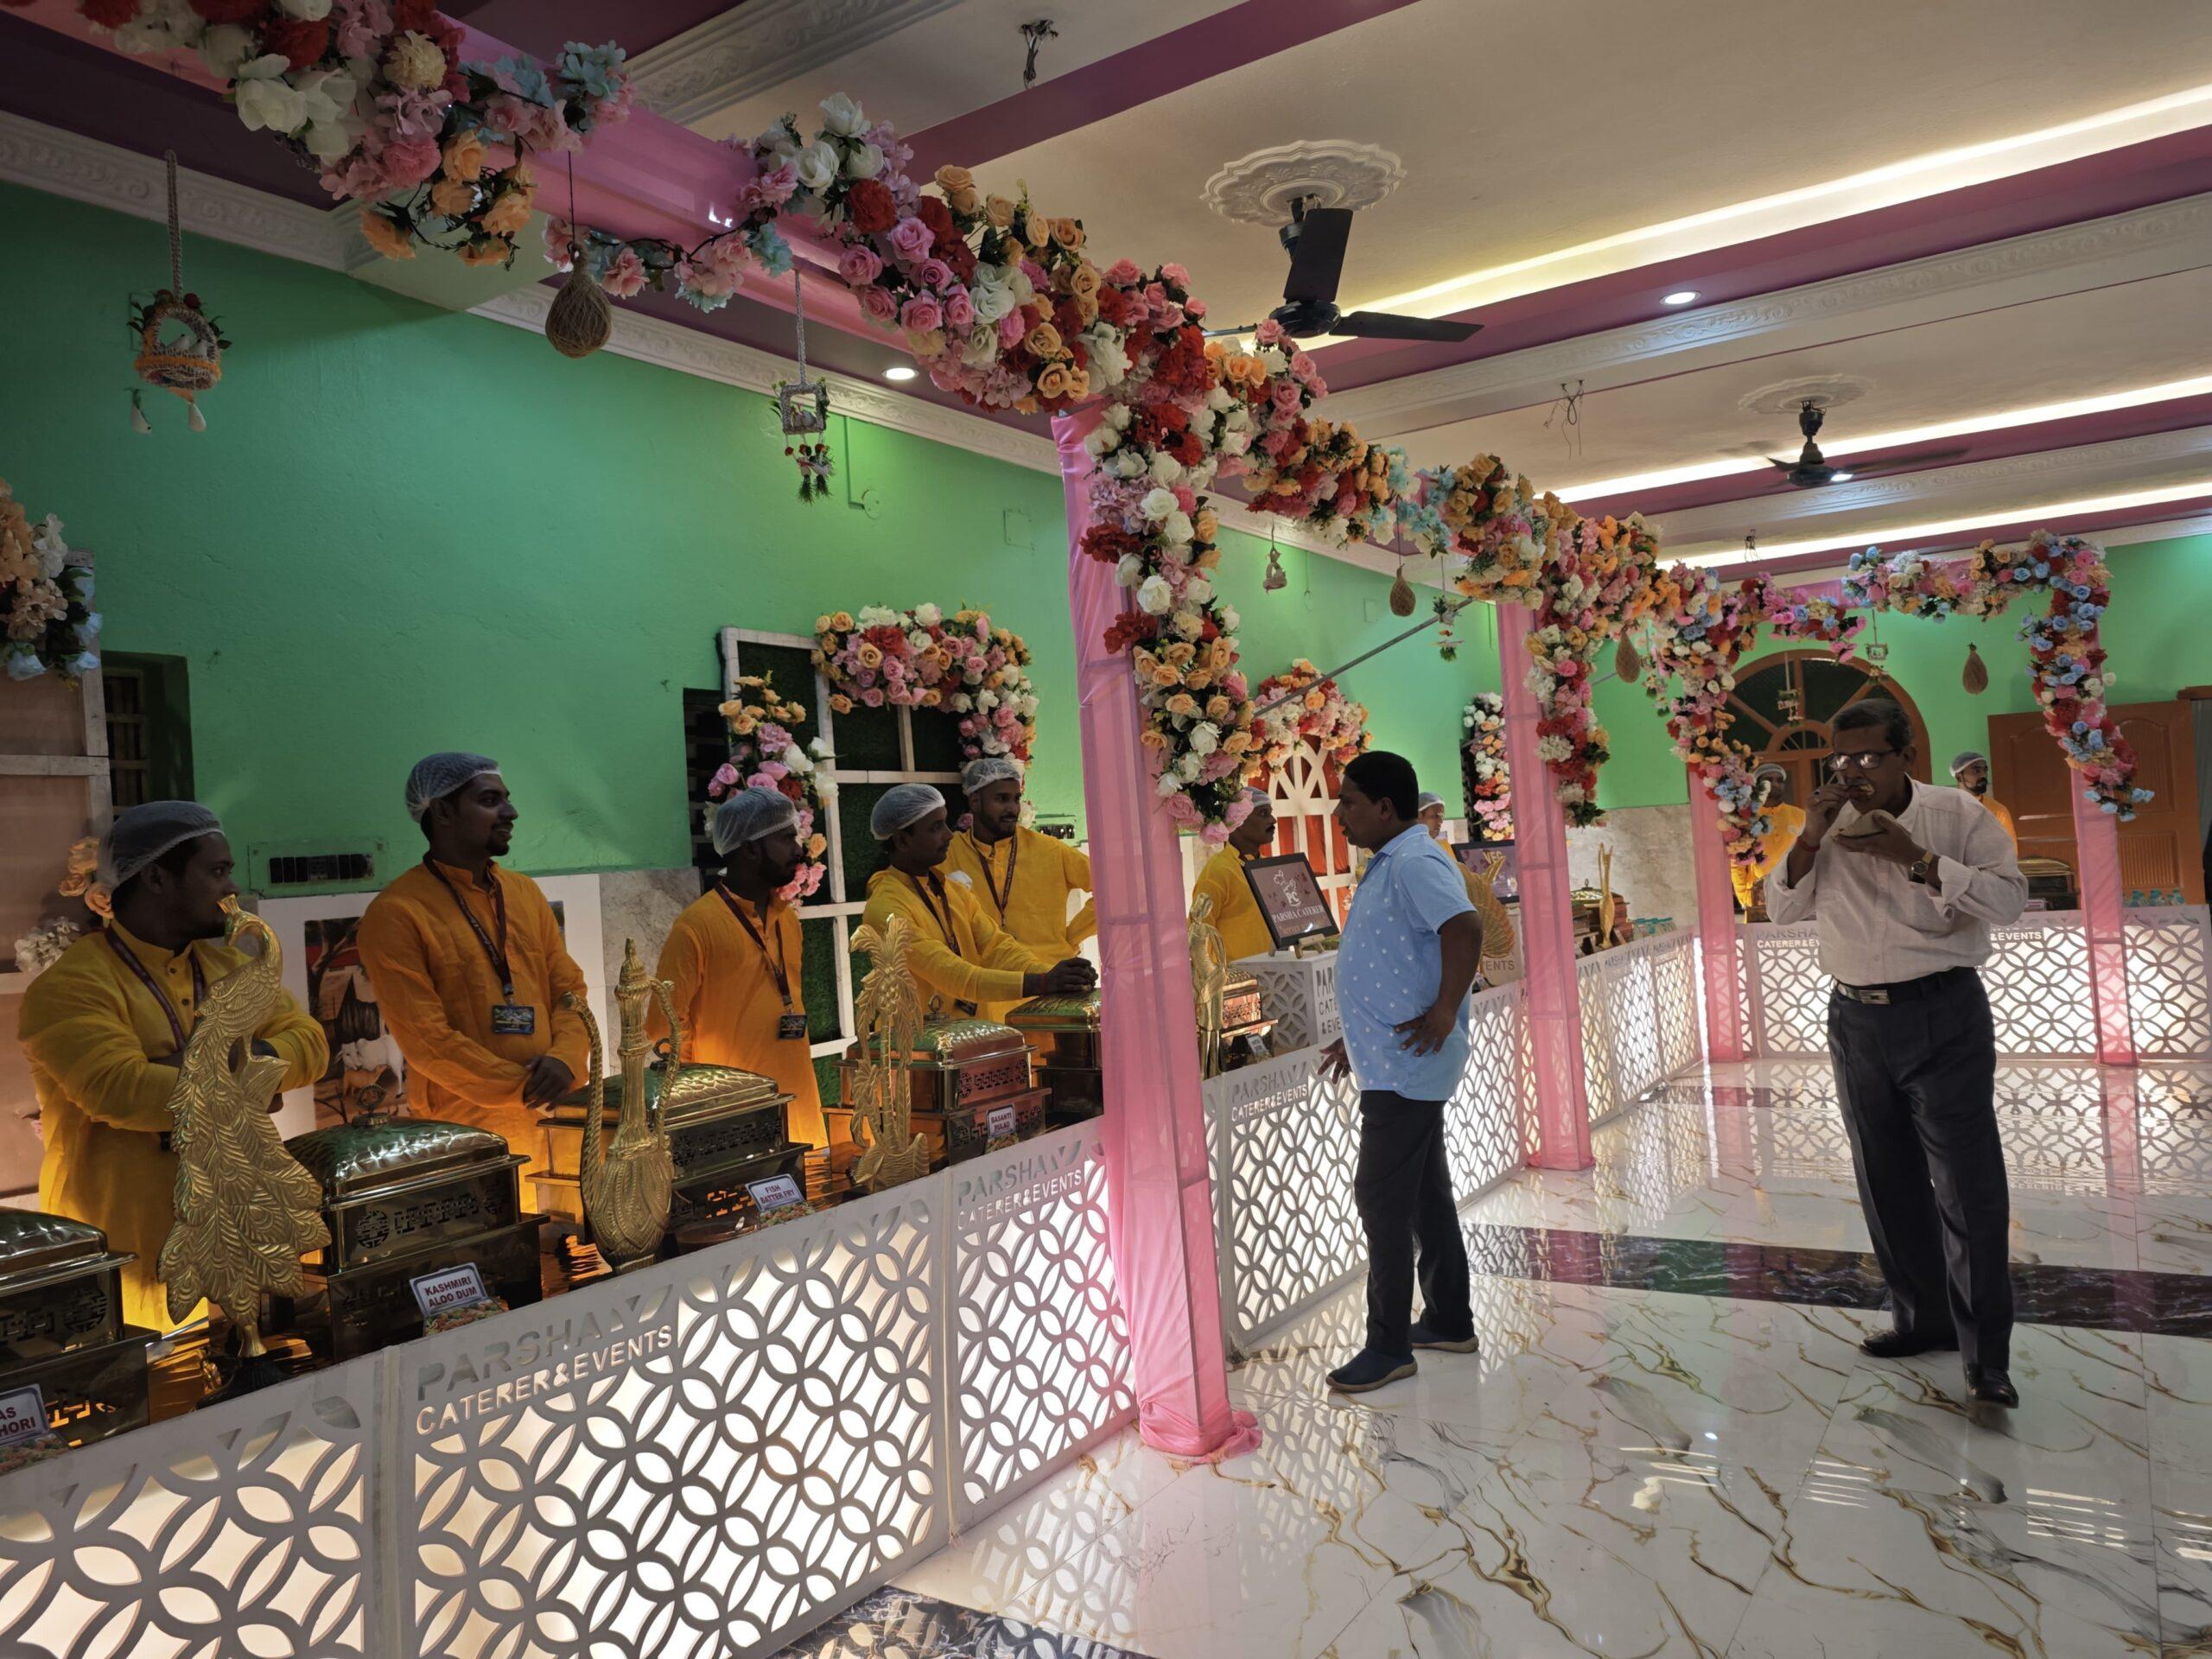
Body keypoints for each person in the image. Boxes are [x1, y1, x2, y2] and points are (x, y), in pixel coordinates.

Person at [1767, 699, 2027, 1407]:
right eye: (1841, 759)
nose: (1852, 773)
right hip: (1857, 1019)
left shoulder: (1955, 817)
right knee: (1886, 1180)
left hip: (1943, 1011)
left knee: (1968, 1186)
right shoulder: (1822, 823)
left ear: (1906, 756)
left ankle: (1986, 1358)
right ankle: (1921, 1321)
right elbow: (1780, 908)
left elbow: (2009, 900)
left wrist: (1914, 858)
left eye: (1869, 758)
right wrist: (1813, 837)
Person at [20, 802, 328, 1332]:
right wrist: (251, 1079)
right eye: (216, 871)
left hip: (240, 1242)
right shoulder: (71, 987)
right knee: (165, 1406)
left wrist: (221, 1065)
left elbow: (312, 1042)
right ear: (158, 878)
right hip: (129, 1255)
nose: (231, 888)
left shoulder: (230, 968)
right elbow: (122, 1091)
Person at [1317, 752, 1483, 1394]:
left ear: (1385, 808)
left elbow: (1463, 927)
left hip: (1407, 1064)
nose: (1339, 815)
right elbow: (1392, 958)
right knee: (1422, 1194)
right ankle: (1447, 1318)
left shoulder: (1413, 859)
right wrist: (1351, 1035)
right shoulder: (1396, 859)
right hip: (1390, 1055)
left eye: (1350, 802)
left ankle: (1387, 1346)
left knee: (1380, 1199)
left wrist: (1445, 1008)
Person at [356, 753, 589, 1174]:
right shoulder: (396, 913)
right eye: (490, 800)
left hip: (558, 1116)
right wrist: (529, 1087)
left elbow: (569, 990)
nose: (511, 812)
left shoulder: (522, 893)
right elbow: (427, 1041)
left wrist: (567, 1060)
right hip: (464, 1133)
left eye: (507, 799)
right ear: (442, 811)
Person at [652, 787, 827, 1147]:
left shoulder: (787, 920)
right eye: (785, 838)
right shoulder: (696, 926)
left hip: (799, 1099)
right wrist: (702, 1107)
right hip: (732, 1118)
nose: (798, 849)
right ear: (749, 848)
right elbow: (661, 1028)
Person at [861, 784, 1093, 1020]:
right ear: (902, 840)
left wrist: (1054, 973)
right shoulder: (886, 910)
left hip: (970, 1035)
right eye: (935, 827)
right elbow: (956, 976)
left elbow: (997, 947)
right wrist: (1043, 982)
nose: (949, 835)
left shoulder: (952, 891)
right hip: (917, 1047)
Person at [941, 757, 1096, 960]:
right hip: (984, 982)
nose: (1013, 808)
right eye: (1001, 799)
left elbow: (1112, 892)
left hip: (1049, 975)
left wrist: (1070, 938)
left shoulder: (1049, 849)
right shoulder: (949, 853)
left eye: (1016, 799)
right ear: (975, 802)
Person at [1189, 787, 1278, 962]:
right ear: (1238, 823)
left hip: (1274, 976)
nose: (1273, 820)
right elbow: (1198, 933)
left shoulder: (1269, 868)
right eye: (1263, 814)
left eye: (1270, 813)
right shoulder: (1218, 871)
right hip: (1237, 981)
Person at [1732, 764, 1809, 912]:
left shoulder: (1800, 816)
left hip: (1796, 893)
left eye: (1779, 780)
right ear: (1757, 785)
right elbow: (1737, 863)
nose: (1775, 784)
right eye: (1769, 780)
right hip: (1759, 895)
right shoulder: (1747, 818)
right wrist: (1745, 898)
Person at [1949, 750, 2018, 847]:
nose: (1983, 775)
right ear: (1959, 777)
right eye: (1976, 771)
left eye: (1985, 770)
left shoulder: (1998, 811)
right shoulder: (1946, 809)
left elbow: (2010, 852)